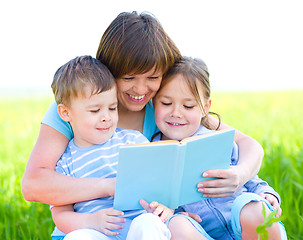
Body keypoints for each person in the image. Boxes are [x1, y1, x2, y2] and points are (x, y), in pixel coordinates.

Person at [22, 11, 263, 219]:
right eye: (128, 78)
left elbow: (247, 144)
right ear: (109, 69)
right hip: (89, 224)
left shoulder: (162, 107)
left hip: (145, 222)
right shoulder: (78, 107)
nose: (140, 90)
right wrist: (109, 187)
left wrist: (240, 174)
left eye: (152, 78)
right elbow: (34, 184)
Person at [145, 56, 287, 240]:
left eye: (188, 106)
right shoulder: (152, 152)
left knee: (253, 208)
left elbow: (251, 179)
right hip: (203, 232)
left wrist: (266, 194)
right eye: (166, 103)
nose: (176, 113)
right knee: (176, 226)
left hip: (243, 225)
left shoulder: (218, 139)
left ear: (205, 107)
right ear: (153, 102)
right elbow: (162, 198)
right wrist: (174, 214)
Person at [49, 55, 171, 240]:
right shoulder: (65, 163)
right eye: (95, 110)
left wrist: (165, 205)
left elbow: (161, 182)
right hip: (96, 232)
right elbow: (60, 214)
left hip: (136, 228)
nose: (106, 117)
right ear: (66, 113)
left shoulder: (132, 141)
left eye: (112, 108)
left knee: (149, 223)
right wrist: (91, 221)